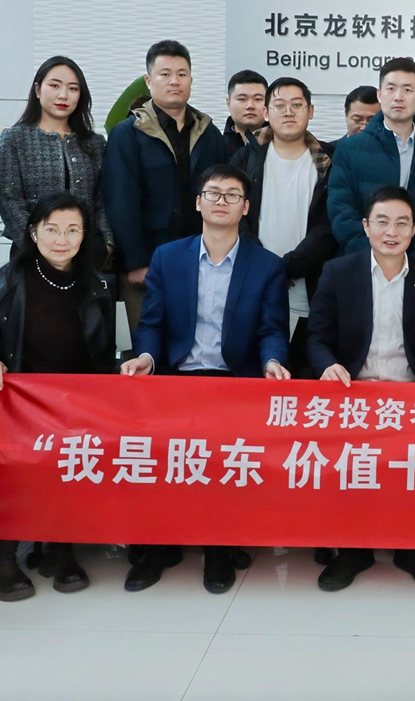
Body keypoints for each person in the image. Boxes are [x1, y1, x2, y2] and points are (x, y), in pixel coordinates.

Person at [118, 165, 291, 594]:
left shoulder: (267, 265)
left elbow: (271, 329)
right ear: (198, 202)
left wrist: (272, 361)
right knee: (161, 458)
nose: (221, 201)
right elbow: (152, 323)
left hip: (235, 381)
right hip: (177, 377)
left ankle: (218, 548)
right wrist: (145, 357)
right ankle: (159, 546)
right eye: (213, 193)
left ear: (245, 208)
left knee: (223, 460)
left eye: (232, 195)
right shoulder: (168, 257)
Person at [0, 193, 118, 599]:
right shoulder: (11, 278)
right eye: (52, 229)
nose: (62, 239)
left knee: (71, 465)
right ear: (34, 232)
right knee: (14, 468)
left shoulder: (97, 284)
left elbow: (101, 353)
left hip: (75, 404)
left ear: (85, 235)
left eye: (73, 230)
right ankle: (2, 556)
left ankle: (59, 549)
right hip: (18, 402)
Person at [305, 186, 415, 592]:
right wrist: (328, 366)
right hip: (352, 393)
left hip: (411, 396)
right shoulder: (338, 272)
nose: (392, 232)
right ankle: (353, 550)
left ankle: (414, 549)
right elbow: (317, 338)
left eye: (402, 223)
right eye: (383, 222)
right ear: (366, 226)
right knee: (350, 465)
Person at [104, 40, 229, 329]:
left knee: (196, 343)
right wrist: (136, 262)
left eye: (182, 74)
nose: (175, 81)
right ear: (149, 81)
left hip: (201, 263)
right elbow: (120, 200)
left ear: (191, 80)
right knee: (146, 344)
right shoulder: (128, 134)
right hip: (148, 265)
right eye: (165, 74)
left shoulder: (209, 133)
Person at [230, 76, 337, 378]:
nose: (288, 112)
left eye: (297, 105)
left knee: (303, 377)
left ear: (311, 111)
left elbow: (329, 225)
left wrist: (287, 266)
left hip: (309, 286)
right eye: (279, 105)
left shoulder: (328, 161)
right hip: (254, 282)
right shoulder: (246, 157)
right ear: (266, 113)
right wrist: (266, 266)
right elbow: (234, 217)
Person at [327, 57, 415, 262]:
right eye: (391, 88)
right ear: (379, 94)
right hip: (362, 263)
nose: (398, 97)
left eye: (407, 90)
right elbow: (340, 210)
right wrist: (373, 256)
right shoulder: (349, 149)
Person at [0, 56, 113, 261]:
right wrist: (36, 245)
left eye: (73, 88)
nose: (63, 95)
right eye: (55, 86)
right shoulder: (15, 139)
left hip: (87, 254)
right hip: (30, 255)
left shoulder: (95, 143)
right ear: (38, 90)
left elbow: (103, 200)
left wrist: (107, 245)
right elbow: (10, 202)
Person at [224, 69, 269, 150]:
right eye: (242, 99)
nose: (250, 106)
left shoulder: (281, 147)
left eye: (258, 99)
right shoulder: (216, 148)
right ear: (229, 104)